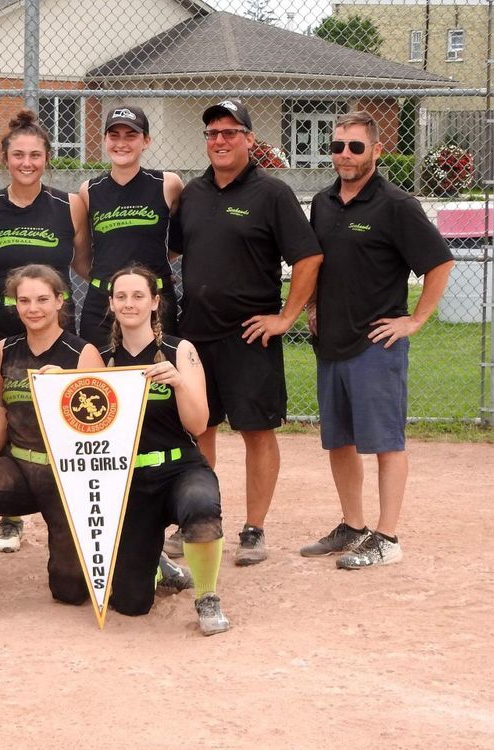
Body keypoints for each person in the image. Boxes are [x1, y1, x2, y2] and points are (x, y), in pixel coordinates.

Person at [169, 99, 323, 566]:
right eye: (213, 133)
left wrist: (286, 317)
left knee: (256, 431)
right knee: (200, 428)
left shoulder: (271, 194)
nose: (220, 141)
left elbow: (309, 257)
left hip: (249, 336)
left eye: (230, 132)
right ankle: (201, 518)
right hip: (196, 334)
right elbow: (174, 254)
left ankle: (254, 529)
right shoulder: (193, 193)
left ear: (250, 140)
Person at [301, 111, 454, 569]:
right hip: (332, 341)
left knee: (386, 442)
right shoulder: (324, 202)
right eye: (337, 146)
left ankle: (387, 537)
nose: (344, 155)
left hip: (376, 343)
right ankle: (353, 525)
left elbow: (439, 263)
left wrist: (415, 319)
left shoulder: (396, 204)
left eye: (355, 147)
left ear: (376, 150)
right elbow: (320, 264)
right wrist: (310, 307)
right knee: (340, 441)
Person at [0, 264, 104, 619]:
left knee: (70, 592)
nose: (33, 308)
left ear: (60, 301)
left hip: (65, 474)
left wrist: (66, 384)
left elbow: (101, 424)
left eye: (43, 299)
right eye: (24, 300)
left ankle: (150, 556)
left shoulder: (83, 353)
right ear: (15, 305)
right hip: (19, 465)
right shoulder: (5, 349)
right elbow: (3, 408)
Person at [0, 109, 90, 553]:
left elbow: (82, 263)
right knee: (6, 405)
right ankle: (10, 513)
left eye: (35, 154)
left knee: (62, 409)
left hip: (52, 322)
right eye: (18, 154)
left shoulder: (68, 205)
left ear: (47, 158)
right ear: (4, 158)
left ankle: (69, 499)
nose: (26, 162)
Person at [102, 266, 228, 636]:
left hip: (178, 468)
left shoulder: (179, 350)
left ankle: (207, 597)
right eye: (121, 296)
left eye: (139, 295)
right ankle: (159, 564)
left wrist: (178, 384)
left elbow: (199, 424)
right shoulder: (104, 358)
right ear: (110, 304)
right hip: (130, 478)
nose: (130, 303)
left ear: (155, 302)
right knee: (130, 604)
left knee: (202, 508)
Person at [78, 105, 183, 349]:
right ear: (105, 139)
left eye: (131, 136)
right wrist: (111, 281)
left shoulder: (168, 184)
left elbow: (178, 244)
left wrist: (149, 274)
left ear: (146, 141)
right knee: (97, 381)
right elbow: (82, 257)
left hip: (154, 302)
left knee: (156, 380)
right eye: (114, 136)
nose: (121, 143)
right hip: (102, 304)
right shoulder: (89, 190)